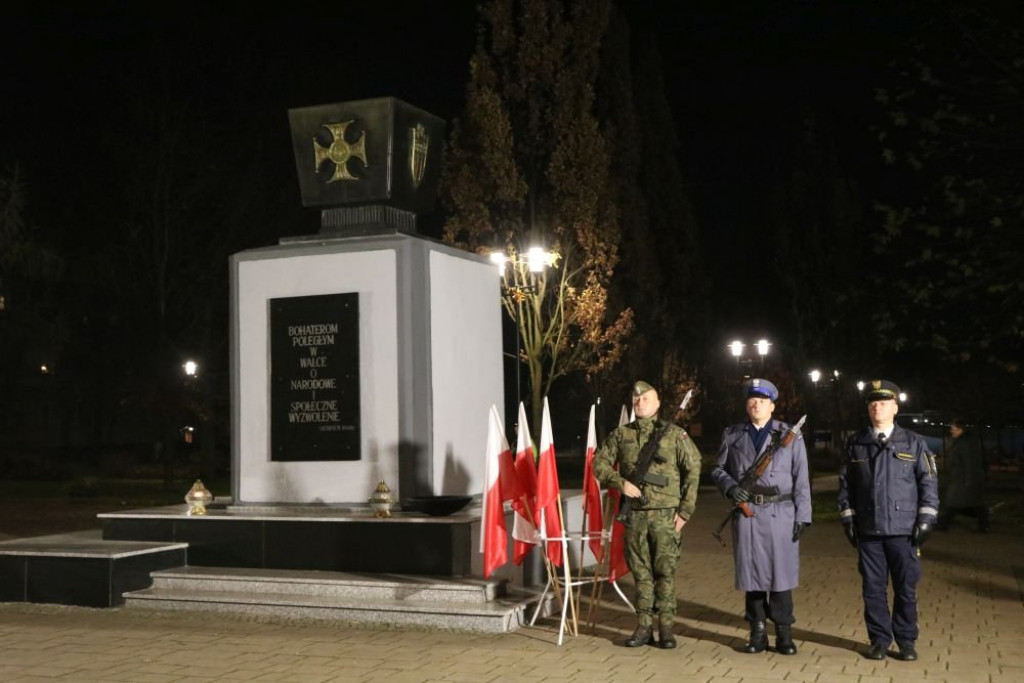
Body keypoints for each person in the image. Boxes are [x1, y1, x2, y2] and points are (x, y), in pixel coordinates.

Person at [593, 380, 702, 649]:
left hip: (666, 515)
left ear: (657, 404)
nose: (640, 403)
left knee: (665, 572)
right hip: (636, 515)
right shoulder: (621, 435)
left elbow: (694, 468)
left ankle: (666, 628)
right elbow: (599, 463)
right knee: (641, 573)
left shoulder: (675, 434)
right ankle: (643, 627)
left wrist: (686, 510)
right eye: (636, 399)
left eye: (646, 399)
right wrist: (620, 483)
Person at [838, 379, 939, 662]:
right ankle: (879, 640)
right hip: (869, 531)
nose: (876, 408)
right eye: (872, 404)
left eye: (883, 403)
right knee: (873, 590)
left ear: (895, 408)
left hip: (904, 531)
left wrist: (926, 520)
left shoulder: (914, 443)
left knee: (905, 589)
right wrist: (848, 518)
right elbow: (845, 484)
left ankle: (906, 640)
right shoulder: (856, 443)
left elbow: (928, 484)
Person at [711, 378, 811, 656]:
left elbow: (801, 478)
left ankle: (783, 632)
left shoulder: (789, 435)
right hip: (748, 514)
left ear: (772, 405)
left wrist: (803, 515)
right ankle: (757, 631)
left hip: (781, 513)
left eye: (762, 401)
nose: (756, 404)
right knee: (752, 576)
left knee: (781, 576)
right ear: (747, 404)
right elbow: (718, 469)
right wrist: (730, 488)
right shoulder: (733, 434)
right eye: (752, 400)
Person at [936, 418, 988, 532]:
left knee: (955, 503)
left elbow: (969, 462)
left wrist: (969, 480)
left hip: (964, 479)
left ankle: (942, 523)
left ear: (960, 429)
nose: (951, 431)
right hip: (963, 478)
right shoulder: (963, 442)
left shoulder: (964, 443)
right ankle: (984, 525)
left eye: (953, 428)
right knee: (974, 503)